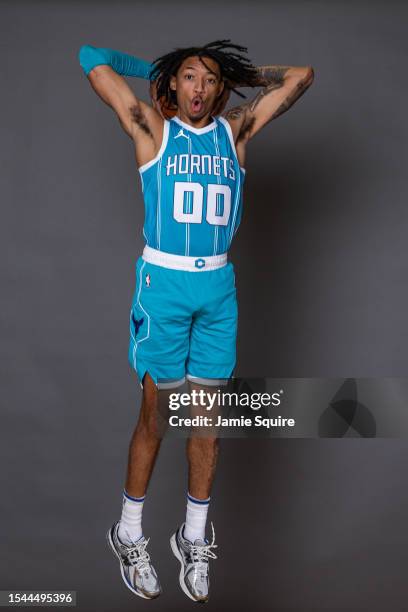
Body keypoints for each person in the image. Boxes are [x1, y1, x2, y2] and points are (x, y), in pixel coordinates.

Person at [78, 39, 314, 602]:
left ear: (221, 88)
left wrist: (233, 70)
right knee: (157, 416)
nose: (199, 89)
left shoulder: (236, 132)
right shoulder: (152, 131)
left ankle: (193, 537)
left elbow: (301, 76)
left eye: (209, 80)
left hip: (217, 291)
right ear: (173, 86)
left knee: (207, 422)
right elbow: (91, 58)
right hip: (164, 289)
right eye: (188, 78)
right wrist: (157, 69)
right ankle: (129, 532)